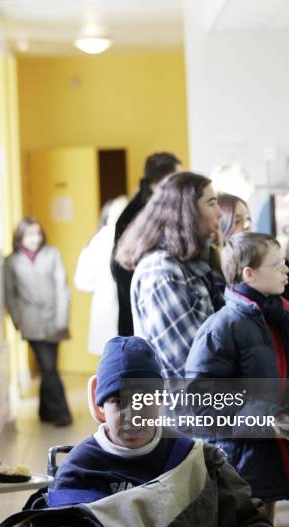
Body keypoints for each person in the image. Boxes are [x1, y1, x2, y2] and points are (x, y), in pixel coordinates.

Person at [0, 336, 289, 527]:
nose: (131, 415)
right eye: (117, 402)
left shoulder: (196, 459)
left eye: (144, 400)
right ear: (99, 406)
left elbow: (249, 519)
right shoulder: (81, 469)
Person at [186, 233, 289, 522]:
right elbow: (202, 402)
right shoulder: (223, 327)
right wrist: (265, 416)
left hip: (263, 458)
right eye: (277, 265)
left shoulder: (270, 317)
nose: (286, 270)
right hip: (236, 464)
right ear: (249, 274)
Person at [116, 172, 225, 378]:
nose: (220, 213)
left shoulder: (193, 262)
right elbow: (190, 364)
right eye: (211, 203)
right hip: (186, 407)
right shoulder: (162, 271)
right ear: (186, 212)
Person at [4, 217, 72, 426]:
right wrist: (17, 320)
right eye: (30, 234)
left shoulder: (52, 254)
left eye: (38, 233)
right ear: (20, 237)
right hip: (30, 321)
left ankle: (45, 411)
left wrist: (62, 319)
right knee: (49, 366)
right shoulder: (11, 261)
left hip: (54, 320)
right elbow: (10, 294)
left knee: (48, 367)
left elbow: (63, 288)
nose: (35, 238)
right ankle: (62, 413)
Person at [111, 152, 182, 336]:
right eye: (176, 178)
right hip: (146, 310)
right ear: (165, 179)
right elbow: (121, 268)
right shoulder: (141, 213)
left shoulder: (146, 207)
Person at [218, 193, 289, 302]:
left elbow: (271, 305)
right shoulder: (217, 277)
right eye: (237, 221)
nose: (247, 225)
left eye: (248, 218)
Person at [74, 195, 128, 355]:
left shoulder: (97, 239)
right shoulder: (109, 239)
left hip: (106, 309)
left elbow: (83, 282)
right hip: (114, 311)